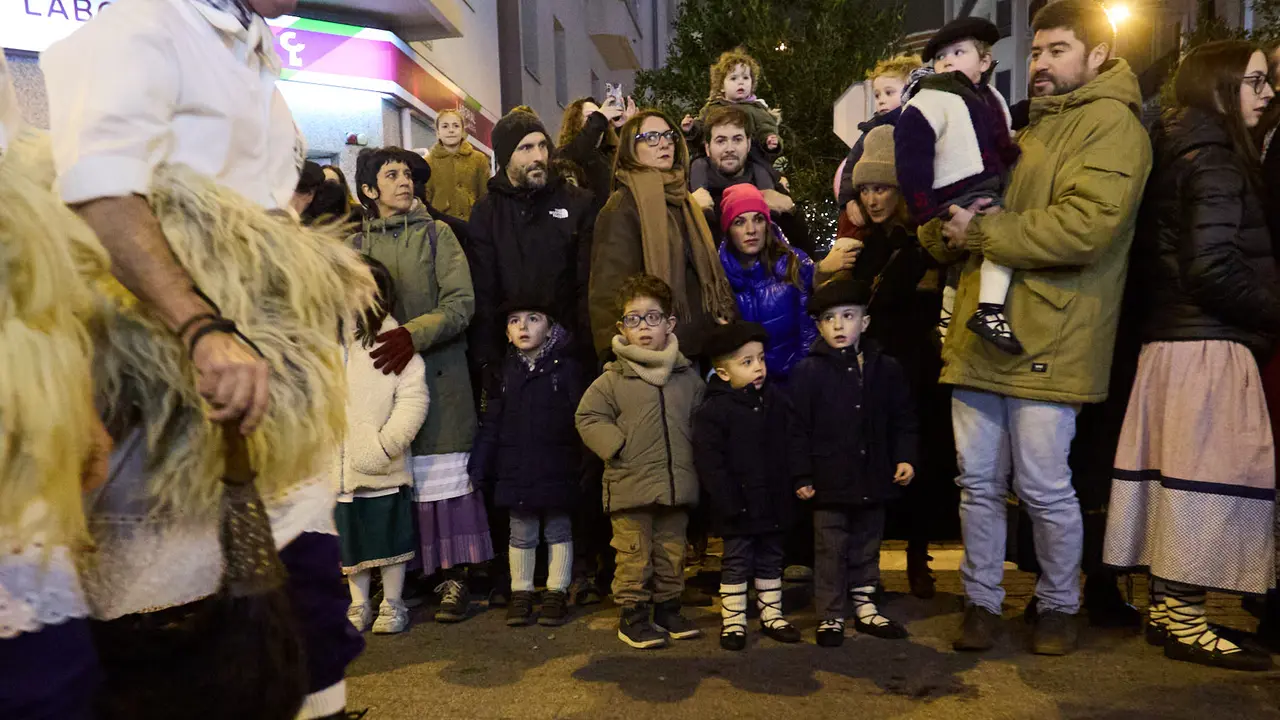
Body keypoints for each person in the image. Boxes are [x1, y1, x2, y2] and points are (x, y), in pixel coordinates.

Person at [43, 1, 374, 717]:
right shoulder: (139, 28)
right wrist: (201, 326)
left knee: (310, 638)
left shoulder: (256, 57)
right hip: (170, 417)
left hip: (273, 428)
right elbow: (97, 187)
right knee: (182, 657)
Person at [918, 0, 1152, 656]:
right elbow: (961, 208)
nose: (1040, 64)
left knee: (1045, 485)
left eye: (1057, 51)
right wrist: (942, 225)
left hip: (1052, 335)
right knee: (979, 483)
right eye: (1038, 52)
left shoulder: (1112, 125)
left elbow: (1087, 228)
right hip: (981, 334)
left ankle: (1056, 606)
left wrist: (982, 229)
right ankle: (982, 602)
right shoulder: (1022, 125)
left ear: (1098, 56)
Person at [1103, 40, 1278, 672]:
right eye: (1255, 82)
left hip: (1174, 342)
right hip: (1206, 342)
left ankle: (1168, 611)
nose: (1266, 94)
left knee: (1179, 482)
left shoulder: (1178, 148)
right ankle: (1184, 619)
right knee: (1205, 483)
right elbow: (1211, 267)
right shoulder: (1215, 160)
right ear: (1220, 86)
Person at [0, 55, 112, 720]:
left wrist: (81, 408)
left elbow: (54, 297)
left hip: (27, 454)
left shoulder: (31, 165)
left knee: (46, 683)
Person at [350, 148, 492, 625]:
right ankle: (399, 577)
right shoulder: (352, 245)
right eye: (391, 175)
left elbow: (460, 303)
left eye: (407, 173)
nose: (403, 181)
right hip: (375, 384)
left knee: (442, 481)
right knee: (387, 482)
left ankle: (453, 578)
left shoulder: (438, 235)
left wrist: (411, 334)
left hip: (439, 374)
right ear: (369, 190)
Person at [845, 125, 954, 600]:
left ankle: (916, 555)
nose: (872, 198)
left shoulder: (924, 242)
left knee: (921, 463)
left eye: (882, 187)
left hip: (916, 369)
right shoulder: (864, 243)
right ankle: (870, 562)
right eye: (866, 188)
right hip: (875, 369)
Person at [576, 274, 705, 649]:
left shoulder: (688, 378)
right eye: (633, 319)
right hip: (630, 485)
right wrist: (618, 446)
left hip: (677, 484)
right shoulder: (613, 379)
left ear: (669, 324)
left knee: (672, 553)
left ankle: (668, 608)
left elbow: (702, 421)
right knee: (634, 555)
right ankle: (632, 615)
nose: (643, 327)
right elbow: (588, 418)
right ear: (622, 327)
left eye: (652, 317)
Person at [790, 280, 917, 647]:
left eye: (848, 316)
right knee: (829, 548)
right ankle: (830, 614)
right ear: (818, 327)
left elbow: (903, 418)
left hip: (873, 476)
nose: (839, 326)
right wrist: (801, 473)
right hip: (829, 480)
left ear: (865, 322)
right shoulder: (808, 372)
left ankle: (865, 604)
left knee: (866, 544)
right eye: (829, 319)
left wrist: (905, 456)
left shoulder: (886, 369)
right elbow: (797, 429)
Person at [896, 17, 1022, 354]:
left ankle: (946, 318)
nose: (947, 60)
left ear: (983, 62)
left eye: (959, 52)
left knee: (957, 264)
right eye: (941, 56)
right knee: (1000, 237)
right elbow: (911, 155)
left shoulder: (991, 97)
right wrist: (924, 208)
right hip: (957, 187)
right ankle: (990, 309)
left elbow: (1001, 137)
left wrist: (1012, 152)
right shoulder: (931, 98)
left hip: (986, 182)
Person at [469, 299, 586, 627]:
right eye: (514, 321)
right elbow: (490, 424)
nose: (523, 326)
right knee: (521, 531)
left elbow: (582, 419)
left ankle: (556, 592)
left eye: (533, 319)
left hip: (558, 465)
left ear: (550, 327)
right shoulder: (501, 373)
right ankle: (521, 592)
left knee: (559, 529)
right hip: (515, 468)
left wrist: (586, 462)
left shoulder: (567, 371)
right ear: (506, 333)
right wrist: (480, 464)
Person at [589, 110, 738, 360]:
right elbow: (608, 292)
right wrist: (614, 356)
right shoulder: (623, 206)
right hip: (656, 355)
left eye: (669, 135)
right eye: (651, 137)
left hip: (703, 349)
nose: (665, 142)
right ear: (630, 148)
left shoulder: (685, 201)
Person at [693, 322, 804, 651]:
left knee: (772, 557)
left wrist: (797, 481)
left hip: (772, 502)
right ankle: (734, 621)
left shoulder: (776, 401)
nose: (758, 368)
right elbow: (710, 463)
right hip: (737, 506)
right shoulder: (714, 411)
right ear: (723, 373)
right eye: (747, 362)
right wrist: (727, 501)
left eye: (760, 359)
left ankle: (772, 615)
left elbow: (793, 442)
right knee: (737, 561)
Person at [336, 257, 429, 637]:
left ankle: (393, 602)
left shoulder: (391, 339)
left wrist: (387, 445)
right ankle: (359, 604)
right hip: (336, 466)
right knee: (349, 541)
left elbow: (413, 397)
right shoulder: (322, 341)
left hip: (380, 462)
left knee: (387, 533)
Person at [468, 108, 597, 370]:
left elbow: (586, 284)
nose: (539, 157)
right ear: (506, 158)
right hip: (510, 357)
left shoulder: (579, 203)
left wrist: (582, 344)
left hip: (570, 354)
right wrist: (489, 359)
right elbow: (484, 291)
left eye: (542, 146)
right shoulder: (486, 212)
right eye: (525, 148)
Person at [716, 183, 816, 382]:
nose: (751, 229)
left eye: (758, 219)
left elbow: (809, 332)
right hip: (748, 388)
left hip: (795, 383)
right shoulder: (717, 278)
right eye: (739, 222)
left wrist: (803, 381)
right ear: (728, 229)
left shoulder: (794, 265)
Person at [836, 55, 929, 232]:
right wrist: (848, 199)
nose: (881, 100)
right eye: (877, 95)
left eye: (889, 92)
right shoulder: (871, 130)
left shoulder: (920, 125)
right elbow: (850, 165)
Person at [682, 47, 784, 167]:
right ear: (721, 86)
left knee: (764, 173)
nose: (741, 82)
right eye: (733, 78)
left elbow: (766, 129)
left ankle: (767, 186)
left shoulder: (756, 109)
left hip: (749, 162)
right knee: (698, 166)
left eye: (745, 78)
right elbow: (702, 129)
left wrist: (770, 141)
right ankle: (700, 186)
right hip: (716, 162)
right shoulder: (713, 108)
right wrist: (691, 128)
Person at [558, 95, 636, 210]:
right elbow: (579, 151)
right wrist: (600, 117)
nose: (601, 120)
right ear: (575, 121)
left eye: (602, 115)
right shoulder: (566, 154)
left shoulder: (607, 155)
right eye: (591, 116)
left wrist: (625, 128)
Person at [424, 109, 491, 221]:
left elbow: (486, 196)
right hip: (441, 227)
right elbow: (425, 201)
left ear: (463, 131)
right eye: (445, 126)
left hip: (473, 225)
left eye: (456, 126)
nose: (451, 130)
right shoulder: (428, 162)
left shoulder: (479, 159)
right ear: (438, 132)